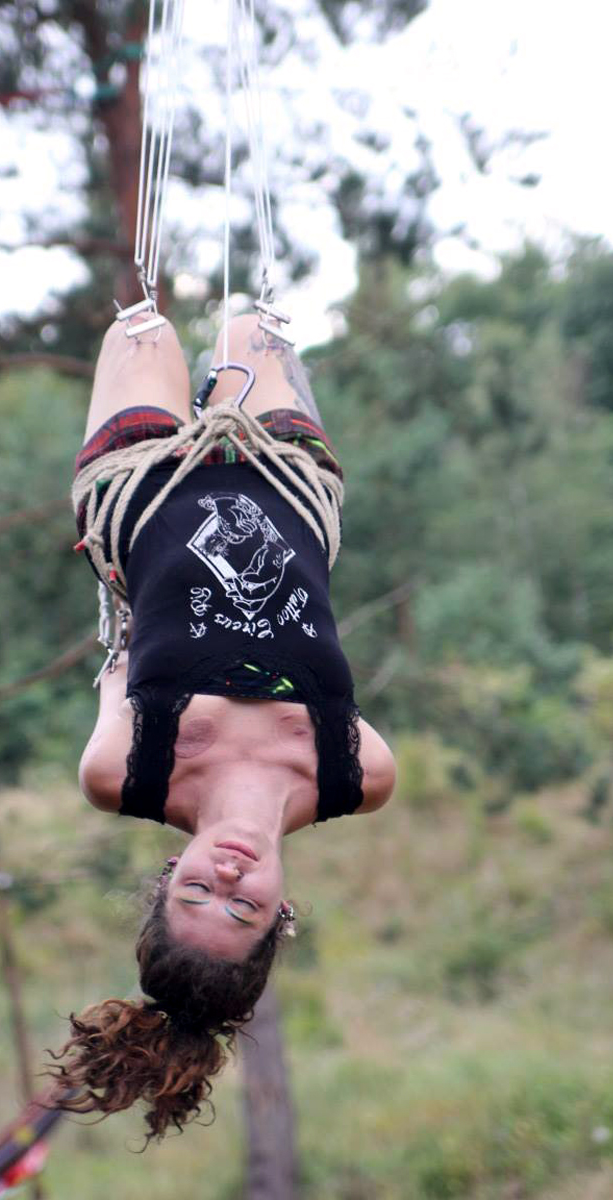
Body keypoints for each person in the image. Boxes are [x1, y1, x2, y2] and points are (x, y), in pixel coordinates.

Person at [49, 312, 396, 1141]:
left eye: (197, 892)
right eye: (243, 911)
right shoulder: (359, 779)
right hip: (289, 482)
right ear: (282, 916)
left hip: (137, 488)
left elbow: (121, 656)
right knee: (250, 321)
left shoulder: (126, 774)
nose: (229, 878)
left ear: (169, 876)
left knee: (144, 328)